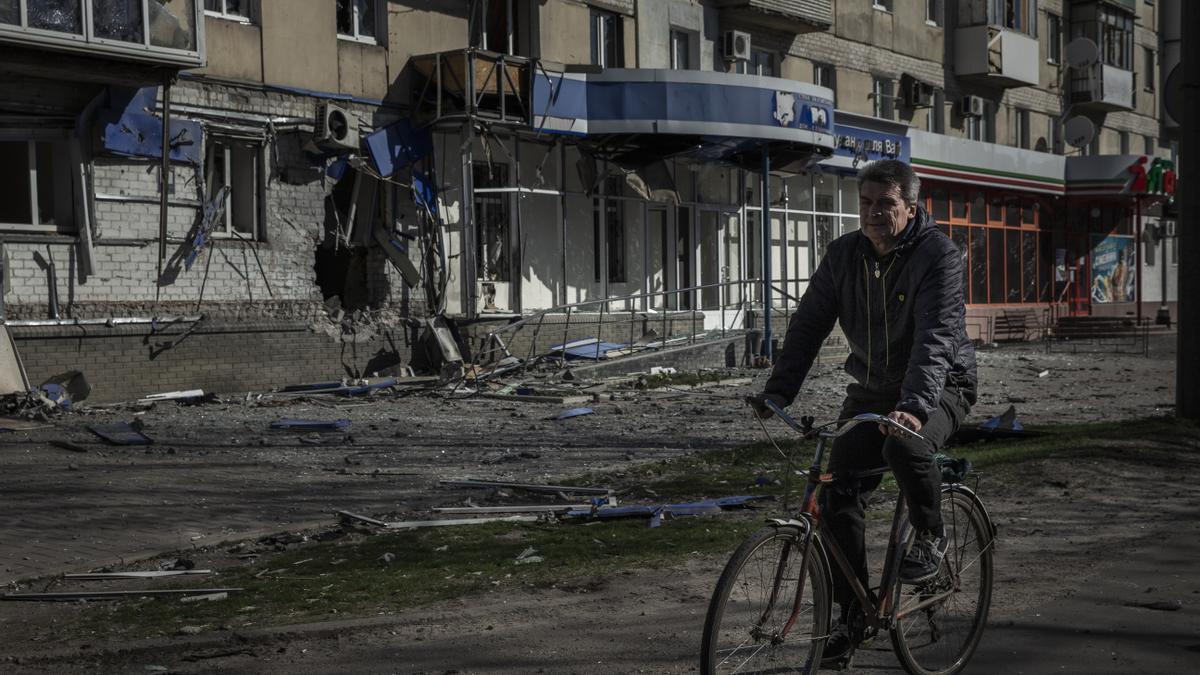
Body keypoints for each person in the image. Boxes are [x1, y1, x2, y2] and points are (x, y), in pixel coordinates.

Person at [751, 159, 977, 667]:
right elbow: (808, 325)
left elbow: (936, 340)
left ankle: (933, 534)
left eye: (887, 205)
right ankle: (852, 618)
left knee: (903, 443)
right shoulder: (843, 256)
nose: (874, 214)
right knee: (835, 490)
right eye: (867, 203)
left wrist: (915, 409)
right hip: (874, 389)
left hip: (941, 385)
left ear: (911, 208)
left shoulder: (937, 256)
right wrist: (778, 393)